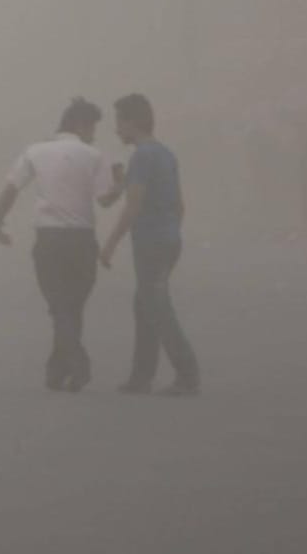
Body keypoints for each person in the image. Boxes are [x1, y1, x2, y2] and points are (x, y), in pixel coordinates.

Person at [0, 98, 122, 393]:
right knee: (72, 307)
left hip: (49, 240)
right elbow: (105, 201)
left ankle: (64, 368)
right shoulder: (94, 155)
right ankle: (67, 368)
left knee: (60, 307)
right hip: (82, 240)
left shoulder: (35, 151)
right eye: (92, 128)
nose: (94, 135)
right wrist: (120, 183)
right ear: (81, 125)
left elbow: (11, 189)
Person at [100, 94, 200, 397]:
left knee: (156, 306)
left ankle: (187, 373)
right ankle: (141, 376)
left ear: (132, 123)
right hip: (168, 239)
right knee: (144, 304)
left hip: (152, 242)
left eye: (119, 123)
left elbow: (132, 206)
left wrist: (110, 244)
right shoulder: (164, 154)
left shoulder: (143, 157)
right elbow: (179, 204)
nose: (116, 130)